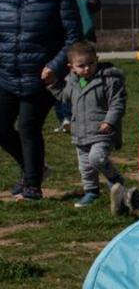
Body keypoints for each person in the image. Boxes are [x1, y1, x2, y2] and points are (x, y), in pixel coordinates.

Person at [0, 0, 82, 201]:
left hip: (41, 76)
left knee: (28, 127)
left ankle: (32, 186)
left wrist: (55, 66)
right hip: (7, 74)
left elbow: (73, 36)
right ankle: (33, 169)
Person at [47, 42, 129, 211]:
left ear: (97, 60)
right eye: (81, 66)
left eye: (91, 63)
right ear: (71, 67)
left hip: (102, 131)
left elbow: (117, 104)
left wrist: (109, 121)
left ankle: (115, 179)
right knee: (85, 166)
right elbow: (64, 96)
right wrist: (52, 84)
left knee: (96, 158)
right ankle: (91, 191)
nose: (86, 69)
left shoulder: (109, 80)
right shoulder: (72, 82)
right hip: (80, 132)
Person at [46, 0, 102, 133]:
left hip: (77, 34)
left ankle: (83, 113)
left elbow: (95, 2)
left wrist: (79, 3)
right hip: (52, 34)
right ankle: (64, 117)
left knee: (78, 74)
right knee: (57, 75)